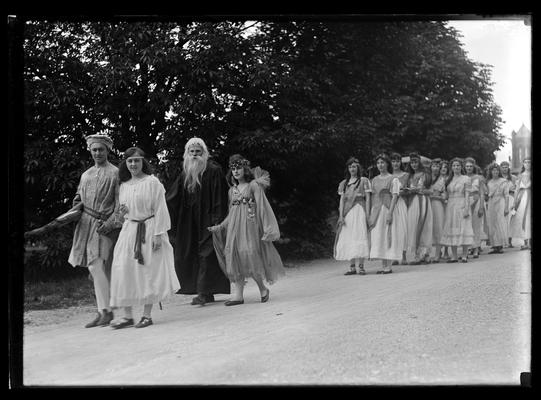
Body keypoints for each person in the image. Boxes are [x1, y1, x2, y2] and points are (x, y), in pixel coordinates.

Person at [108, 147, 180, 329]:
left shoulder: (152, 182)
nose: (133, 164)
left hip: (149, 229)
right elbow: (122, 211)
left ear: (142, 162)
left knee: (148, 271)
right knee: (122, 269)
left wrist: (158, 234)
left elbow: (160, 209)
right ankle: (127, 316)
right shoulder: (123, 185)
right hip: (129, 229)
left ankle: (147, 315)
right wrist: (122, 212)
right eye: (130, 161)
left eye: (137, 161)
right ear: (125, 164)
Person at [208, 154, 285, 305]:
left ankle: (263, 289)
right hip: (235, 230)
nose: (236, 171)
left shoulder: (253, 185)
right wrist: (220, 226)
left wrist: (266, 227)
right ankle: (238, 295)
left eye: (239, 168)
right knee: (234, 257)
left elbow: (262, 206)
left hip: (250, 226)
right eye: (233, 169)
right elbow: (232, 213)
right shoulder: (232, 191)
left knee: (250, 255)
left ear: (245, 169)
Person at [166, 137, 230, 305]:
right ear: (187, 154)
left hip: (208, 219)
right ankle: (204, 291)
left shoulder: (214, 170)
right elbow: (173, 197)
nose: (194, 155)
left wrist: (217, 220)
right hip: (189, 222)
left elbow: (220, 197)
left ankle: (204, 291)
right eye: (191, 152)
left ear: (204, 153)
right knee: (190, 252)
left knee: (207, 254)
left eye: (198, 152)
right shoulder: (185, 173)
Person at [67, 134, 119, 328]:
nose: (98, 153)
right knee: (94, 267)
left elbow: (121, 204)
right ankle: (102, 311)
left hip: (104, 225)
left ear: (108, 151)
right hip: (85, 225)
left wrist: (111, 223)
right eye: (94, 150)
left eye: (101, 149)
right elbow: (79, 195)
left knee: (97, 266)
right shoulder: (86, 174)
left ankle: (108, 311)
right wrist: (76, 204)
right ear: (90, 151)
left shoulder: (115, 173)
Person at [367, 153, 406, 274]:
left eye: (382, 163)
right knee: (379, 235)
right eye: (378, 163)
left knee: (389, 234)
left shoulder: (393, 179)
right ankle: (383, 264)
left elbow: (395, 196)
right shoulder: (374, 180)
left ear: (387, 164)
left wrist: (390, 212)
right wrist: (371, 213)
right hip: (377, 210)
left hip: (388, 209)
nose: (380, 165)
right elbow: (373, 197)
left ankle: (388, 265)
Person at [333, 157, 371, 275]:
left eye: (354, 166)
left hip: (359, 210)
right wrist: (341, 215)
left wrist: (368, 214)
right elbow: (342, 201)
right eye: (350, 167)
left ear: (358, 167)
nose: (352, 169)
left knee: (360, 235)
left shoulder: (364, 181)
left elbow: (368, 198)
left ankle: (361, 265)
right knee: (349, 236)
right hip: (348, 213)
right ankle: (352, 266)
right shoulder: (344, 183)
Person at [440, 158, 474, 263]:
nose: (456, 167)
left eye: (458, 165)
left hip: (462, 204)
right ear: (451, 167)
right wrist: (442, 191)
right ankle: (454, 256)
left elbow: (468, 194)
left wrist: (467, 208)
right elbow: (445, 196)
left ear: (461, 167)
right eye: (454, 165)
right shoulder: (448, 180)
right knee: (452, 228)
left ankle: (464, 255)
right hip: (451, 205)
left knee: (463, 227)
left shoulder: (466, 179)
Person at [404, 152, 433, 265]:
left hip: (422, 201)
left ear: (419, 162)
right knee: (413, 226)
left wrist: (416, 190)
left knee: (424, 225)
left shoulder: (425, 174)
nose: (414, 164)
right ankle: (417, 253)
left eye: (415, 162)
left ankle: (424, 254)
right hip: (412, 202)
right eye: (412, 162)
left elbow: (429, 190)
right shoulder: (409, 176)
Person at [485, 163, 509, 254]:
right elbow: (487, 194)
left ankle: (500, 245)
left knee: (500, 222)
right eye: (493, 170)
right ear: (490, 172)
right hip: (491, 202)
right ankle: (494, 245)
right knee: (492, 223)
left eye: (496, 170)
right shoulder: (489, 182)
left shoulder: (503, 181)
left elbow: (506, 195)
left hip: (501, 201)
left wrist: (506, 208)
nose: (495, 172)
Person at [390, 153, 409, 266]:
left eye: (397, 161)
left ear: (400, 162)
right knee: (393, 229)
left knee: (402, 228)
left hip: (401, 202)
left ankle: (404, 255)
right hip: (390, 203)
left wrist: (402, 192)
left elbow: (407, 189)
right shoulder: (388, 175)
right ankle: (394, 256)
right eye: (393, 161)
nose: (395, 163)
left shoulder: (405, 175)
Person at [464, 157, 485, 259]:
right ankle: (468, 248)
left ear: (474, 166)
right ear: (464, 167)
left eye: (471, 166)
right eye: (467, 166)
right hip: (466, 202)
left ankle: (476, 248)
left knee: (476, 226)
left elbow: (482, 193)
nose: (469, 168)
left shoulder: (479, 178)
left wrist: (481, 207)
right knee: (467, 226)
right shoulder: (462, 178)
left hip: (477, 201)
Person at [510, 157, 531, 250]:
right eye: (525, 162)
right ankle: (525, 241)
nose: (527, 164)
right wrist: (514, 202)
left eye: (529, 162)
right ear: (523, 164)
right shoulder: (520, 176)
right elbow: (517, 190)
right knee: (522, 218)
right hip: (522, 198)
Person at [428, 158, 447, 263]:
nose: (435, 168)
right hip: (427, 204)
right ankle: (426, 253)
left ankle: (437, 253)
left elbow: (445, 195)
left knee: (438, 227)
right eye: (433, 166)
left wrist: (437, 196)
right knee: (428, 227)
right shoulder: (427, 178)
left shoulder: (443, 180)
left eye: (437, 167)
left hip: (437, 204)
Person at [500, 161, 517, 248]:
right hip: (501, 199)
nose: (504, 169)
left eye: (506, 167)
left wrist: (515, 202)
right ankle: (503, 241)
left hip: (510, 198)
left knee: (509, 220)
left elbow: (516, 189)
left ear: (508, 168)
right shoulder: (498, 177)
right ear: (500, 168)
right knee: (502, 220)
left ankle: (509, 241)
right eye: (503, 167)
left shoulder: (513, 178)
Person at [438, 160, 451, 261]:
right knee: (439, 227)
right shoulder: (436, 179)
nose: (443, 169)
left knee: (446, 227)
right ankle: (439, 250)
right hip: (438, 204)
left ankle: (446, 250)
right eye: (441, 167)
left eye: (445, 168)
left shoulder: (450, 179)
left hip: (448, 204)